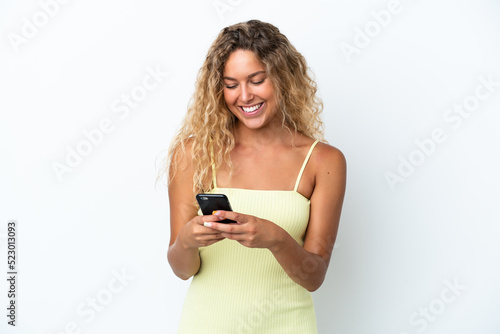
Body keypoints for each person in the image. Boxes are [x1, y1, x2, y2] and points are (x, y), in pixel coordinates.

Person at [164, 19, 346, 333]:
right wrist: (187, 242)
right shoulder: (193, 154)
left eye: (257, 80)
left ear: (283, 78)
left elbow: (314, 277)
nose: (244, 96)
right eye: (231, 84)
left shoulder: (323, 161)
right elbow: (182, 269)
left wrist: (274, 239)